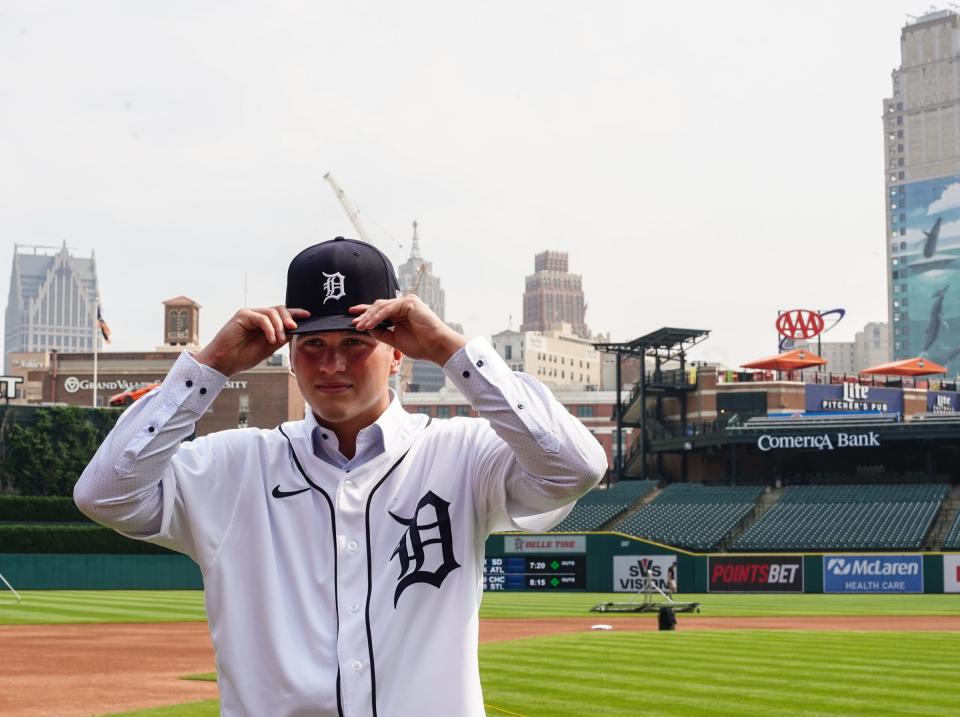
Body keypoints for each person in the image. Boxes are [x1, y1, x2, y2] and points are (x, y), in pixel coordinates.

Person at [75, 236, 607, 717]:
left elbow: (575, 467)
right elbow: (105, 494)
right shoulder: (235, 466)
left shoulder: (463, 454)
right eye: (312, 344)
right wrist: (209, 365)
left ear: (398, 351)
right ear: (288, 355)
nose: (332, 364)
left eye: (356, 342)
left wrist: (450, 348)